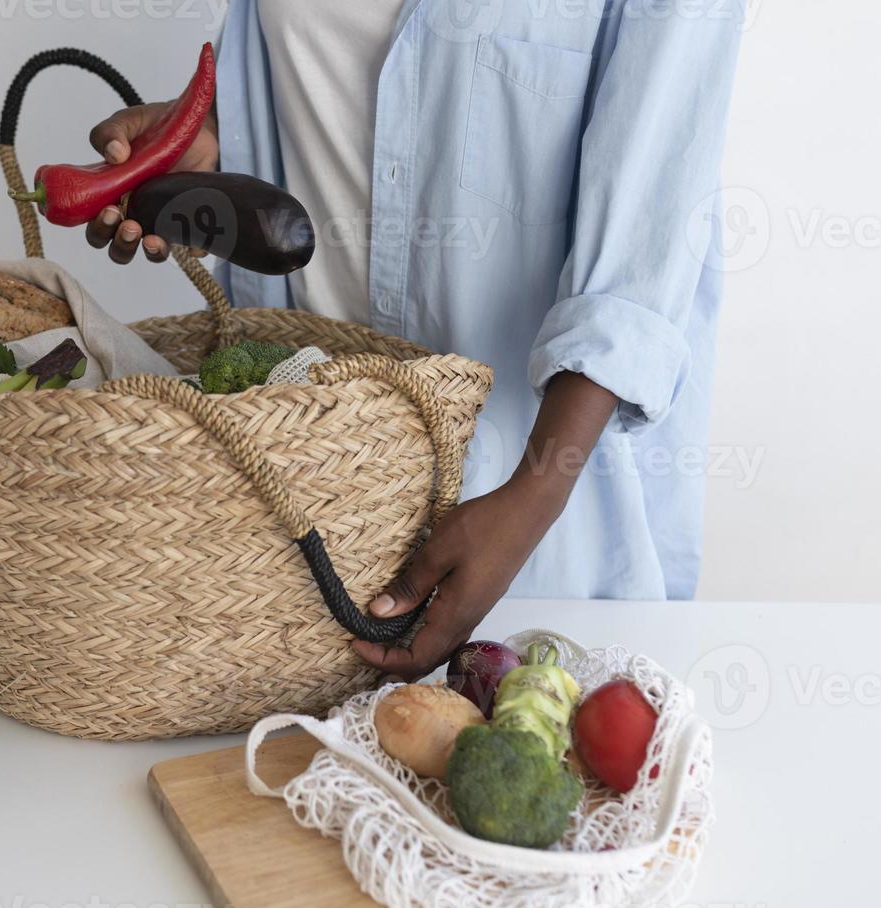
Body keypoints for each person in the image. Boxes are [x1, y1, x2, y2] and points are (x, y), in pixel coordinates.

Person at [81, 0, 744, 676]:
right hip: (307, 529)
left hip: (529, 537)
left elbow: (643, 235)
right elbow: (320, 81)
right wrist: (218, 137)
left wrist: (533, 494)